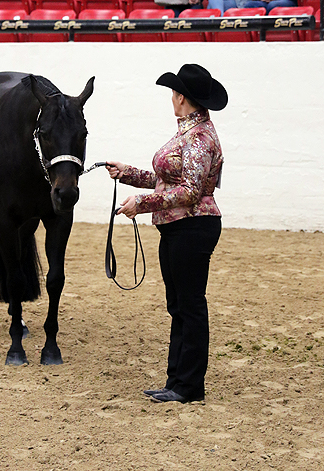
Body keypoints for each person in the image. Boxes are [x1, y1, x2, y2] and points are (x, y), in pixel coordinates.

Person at [106, 64, 228, 404]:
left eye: (174, 94)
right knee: (179, 304)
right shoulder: (189, 133)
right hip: (178, 227)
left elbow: (190, 192)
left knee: (189, 304)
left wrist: (141, 203)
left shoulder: (200, 138)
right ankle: (177, 381)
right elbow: (169, 181)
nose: (171, 99)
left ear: (181, 97)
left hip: (192, 226)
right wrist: (127, 173)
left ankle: (188, 386)